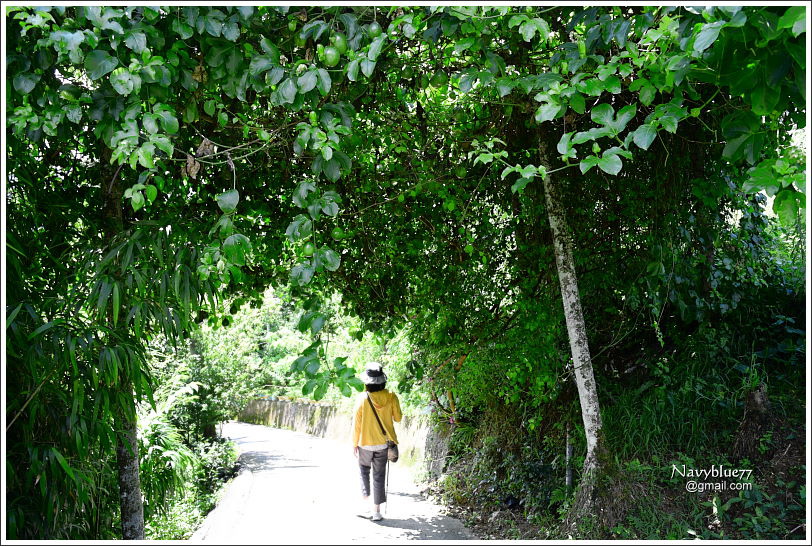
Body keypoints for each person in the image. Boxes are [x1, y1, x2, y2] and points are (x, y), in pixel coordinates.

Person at [352, 362, 402, 521]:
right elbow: (398, 418)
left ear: (367, 382)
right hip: (383, 444)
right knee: (379, 476)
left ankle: (366, 502)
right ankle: (376, 512)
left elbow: (356, 424)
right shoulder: (392, 396)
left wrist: (354, 443)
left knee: (364, 471)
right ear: (383, 381)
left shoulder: (362, 398)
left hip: (365, 443)